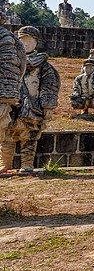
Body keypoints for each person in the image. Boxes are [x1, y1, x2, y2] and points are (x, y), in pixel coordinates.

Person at [7, 27, 60, 172]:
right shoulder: (10, 63)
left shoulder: (44, 67)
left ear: (36, 43)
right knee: (6, 137)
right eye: (23, 41)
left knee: (29, 138)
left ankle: (27, 165)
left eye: (30, 41)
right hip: (10, 107)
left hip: (32, 108)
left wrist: (48, 107)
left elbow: (49, 87)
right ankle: (5, 165)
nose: (26, 44)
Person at [0, 13, 26, 174]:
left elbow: (15, 63)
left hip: (3, 88)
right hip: (6, 88)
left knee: (3, 127)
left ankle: (4, 163)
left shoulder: (5, 38)